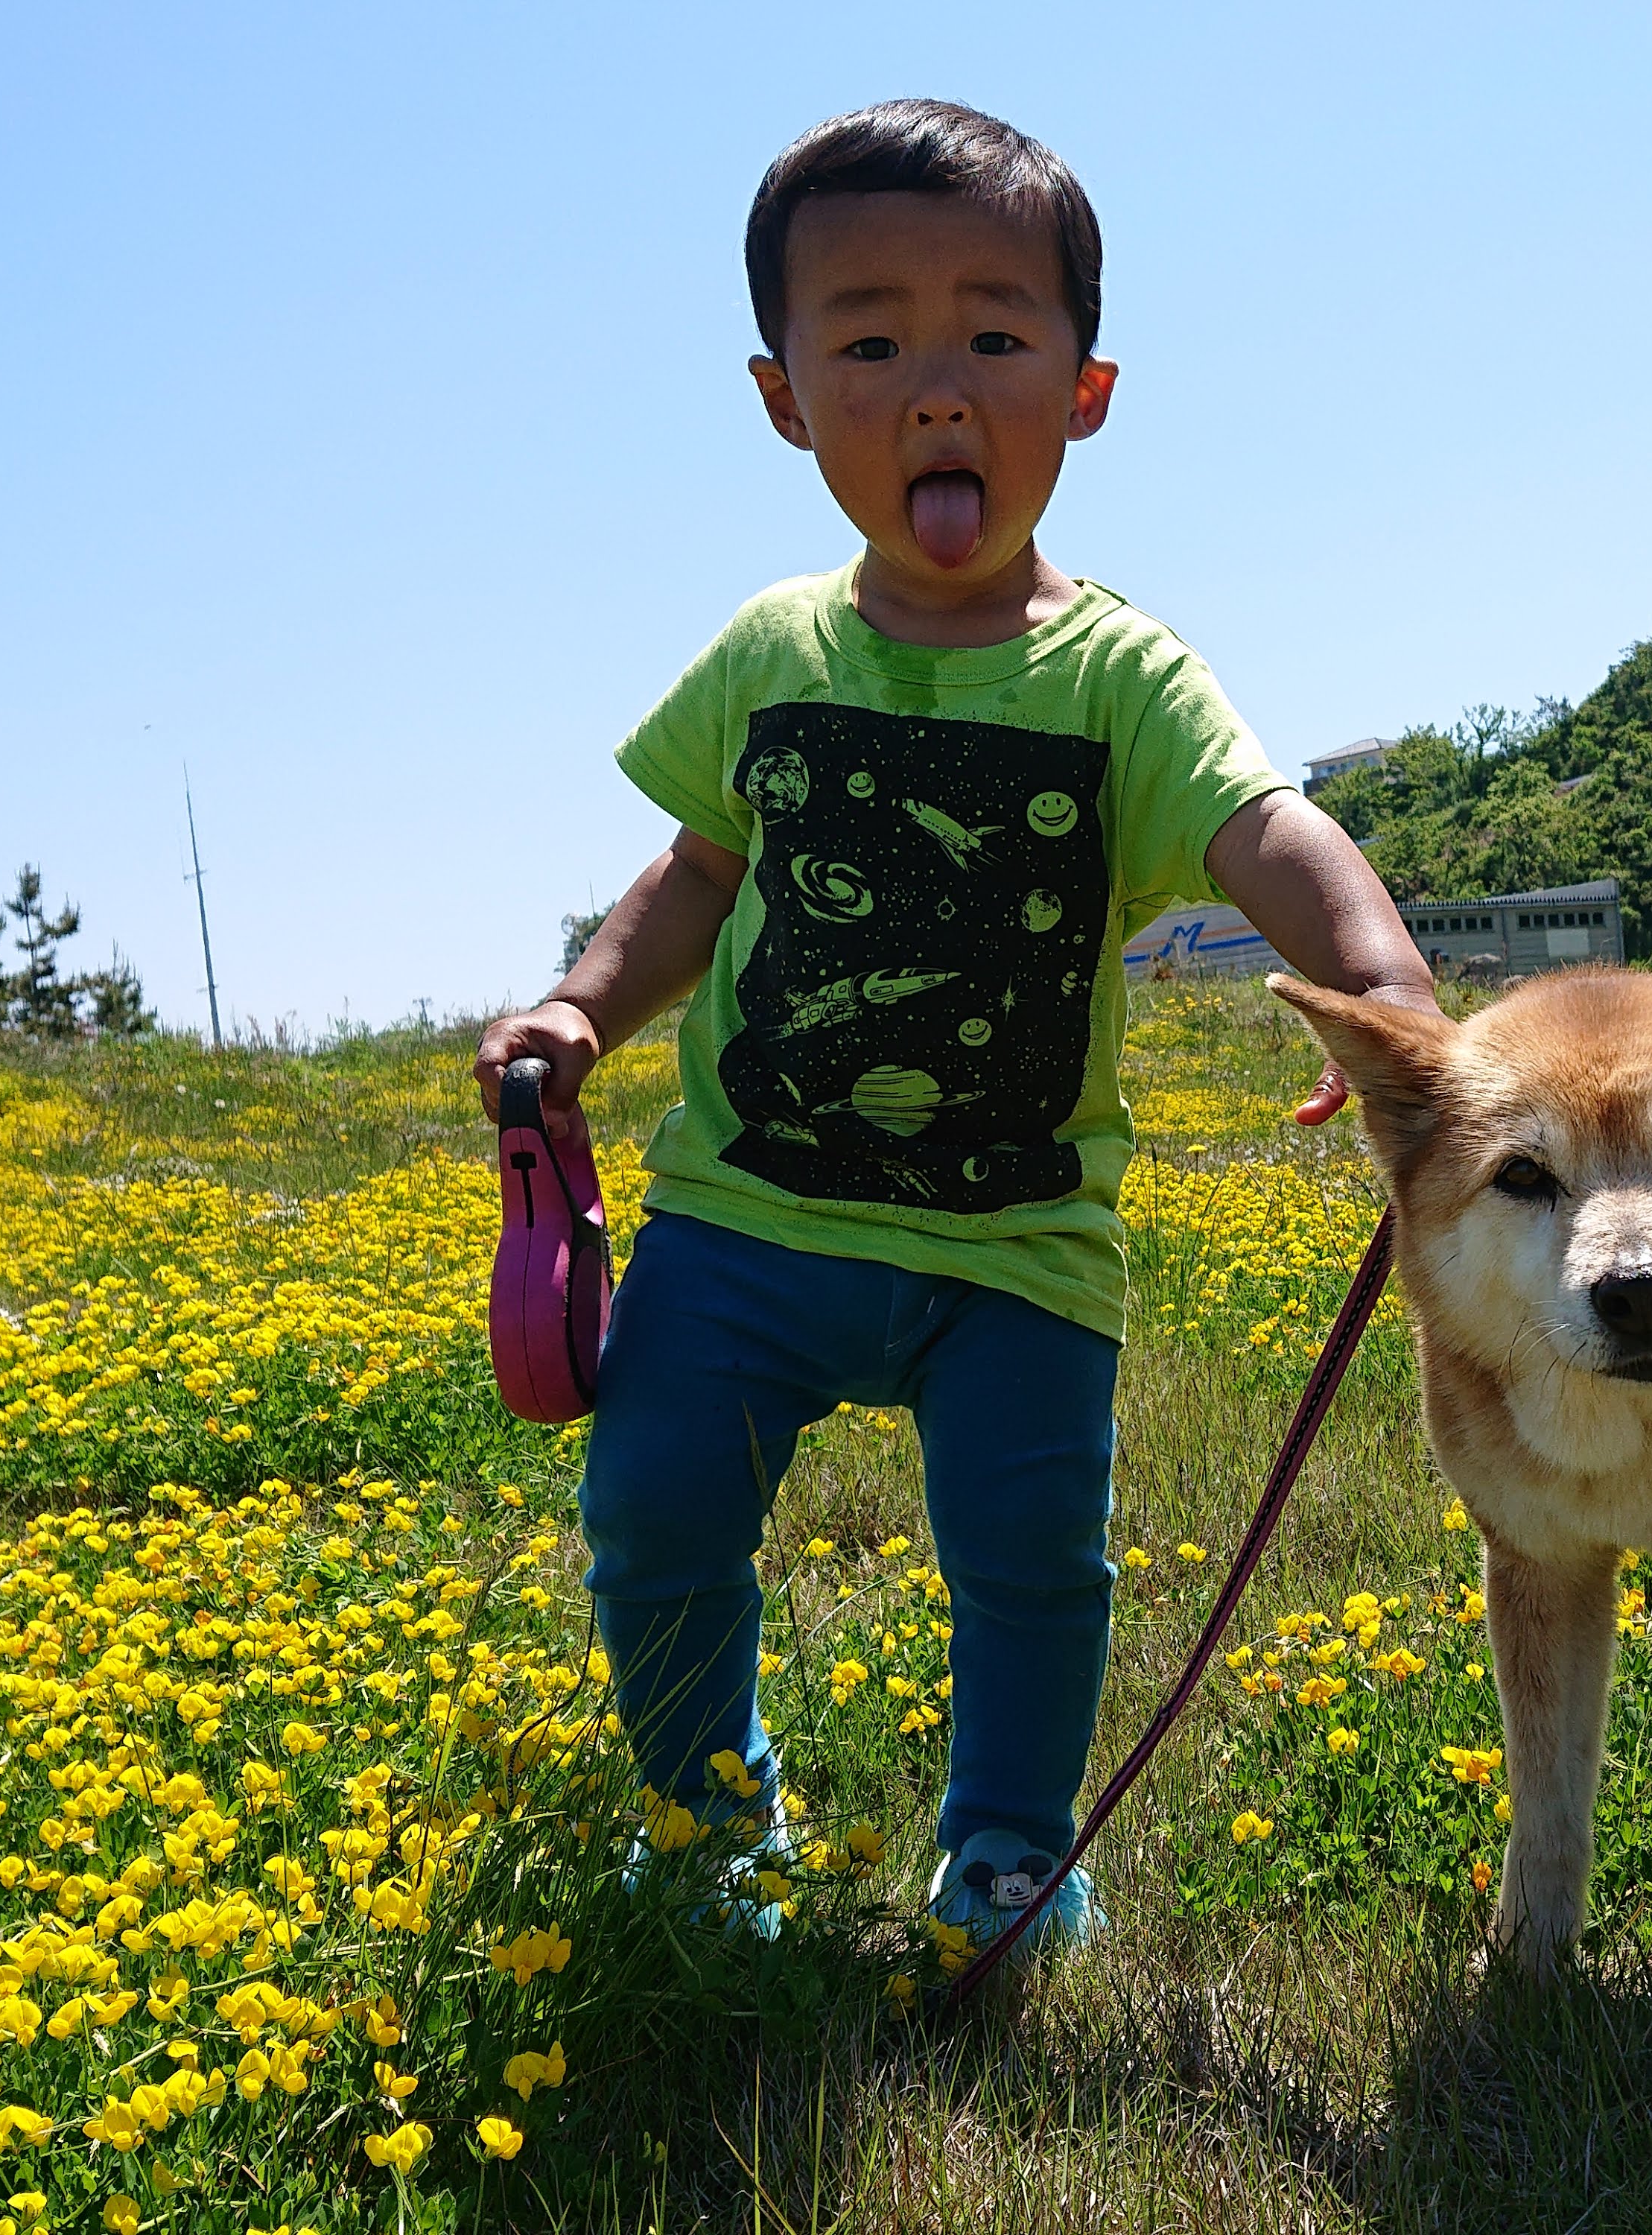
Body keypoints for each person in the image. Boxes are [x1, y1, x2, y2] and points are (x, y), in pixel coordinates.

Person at [474, 98, 1437, 1968]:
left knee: (1030, 1572)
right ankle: (702, 1826)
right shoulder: (770, 651)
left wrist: (1381, 979)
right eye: (870, 342)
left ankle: (1004, 1854)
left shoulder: (1125, 677)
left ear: (1083, 391)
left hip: (1015, 1240)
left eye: (995, 336)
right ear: (783, 400)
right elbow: (692, 876)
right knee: (655, 1506)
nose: (936, 390)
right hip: (749, 1215)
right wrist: (585, 1007)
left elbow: (1268, 829)